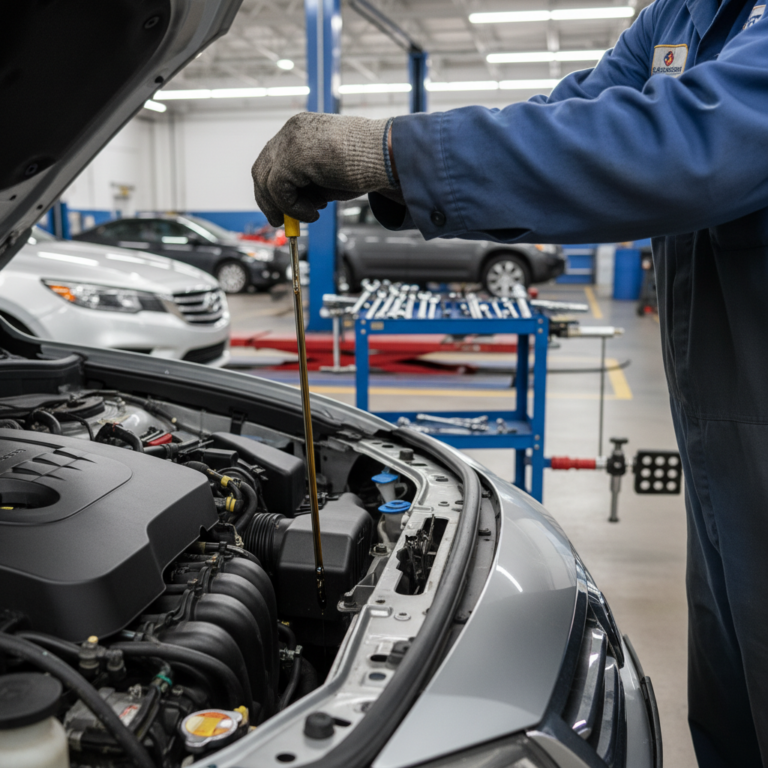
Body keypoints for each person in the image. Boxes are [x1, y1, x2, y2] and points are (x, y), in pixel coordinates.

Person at [251, 0, 768, 764]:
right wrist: (396, 153)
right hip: (722, 461)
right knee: (733, 721)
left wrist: (389, 153)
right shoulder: (681, 15)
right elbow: (580, 113)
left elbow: (691, 142)